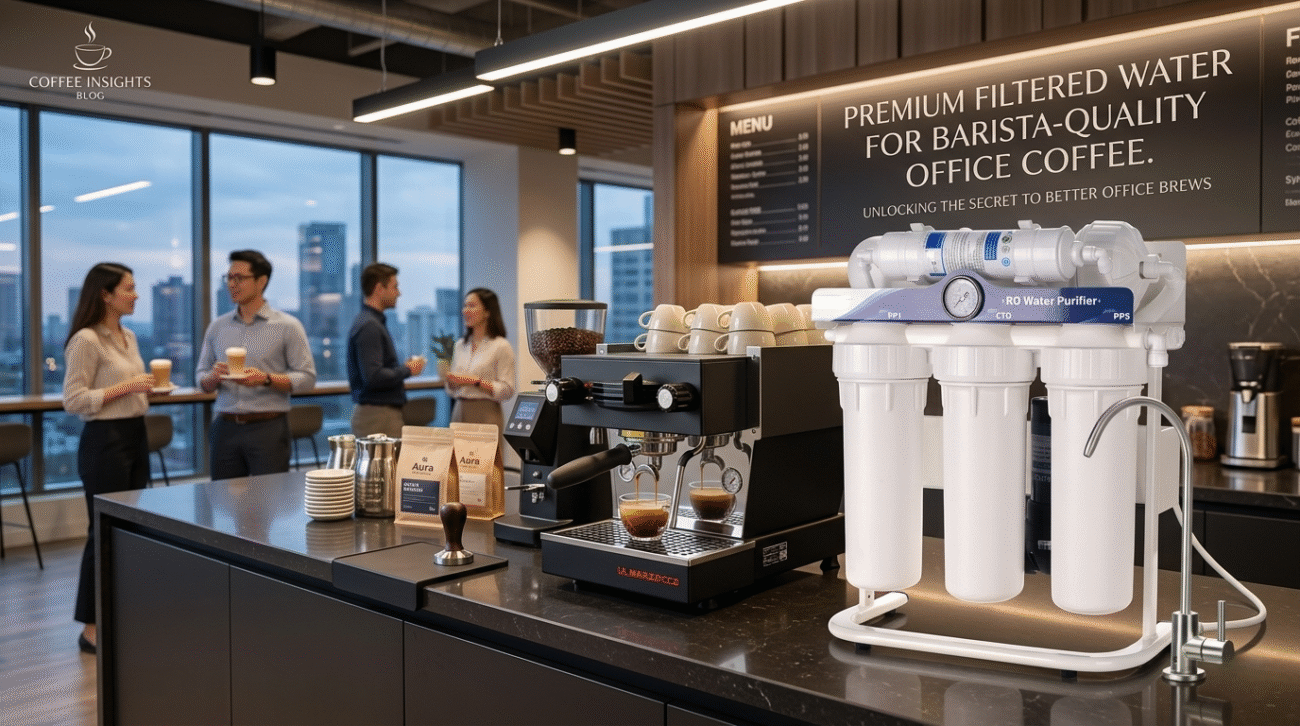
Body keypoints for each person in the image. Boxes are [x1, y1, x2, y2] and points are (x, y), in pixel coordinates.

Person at [62, 262, 159, 654]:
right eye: (129, 288)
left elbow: (128, 389)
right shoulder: (86, 340)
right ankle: (90, 628)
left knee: (130, 531)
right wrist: (126, 387)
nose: (136, 295)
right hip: (104, 441)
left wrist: (143, 391)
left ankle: (122, 615)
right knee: (101, 531)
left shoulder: (129, 337)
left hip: (135, 435)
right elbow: (73, 400)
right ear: (106, 293)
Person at [196, 249, 316, 479]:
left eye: (239, 278)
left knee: (268, 503)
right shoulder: (218, 327)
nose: (232, 284)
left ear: (261, 281)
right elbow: (201, 375)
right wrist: (211, 378)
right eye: (229, 277)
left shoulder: (287, 326)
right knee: (224, 502)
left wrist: (266, 379)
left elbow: (307, 378)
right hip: (225, 426)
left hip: (268, 427)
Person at [347, 263, 426, 437]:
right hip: (377, 417)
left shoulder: (370, 322)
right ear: (379, 289)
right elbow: (373, 377)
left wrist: (402, 369)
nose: (399, 293)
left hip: (378, 415)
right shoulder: (370, 325)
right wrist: (408, 370)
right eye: (395, 287)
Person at [444, 287, 516, 435]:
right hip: (459, 410)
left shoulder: (501, 345)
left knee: (486, 458)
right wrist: (451, 382)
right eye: (465, 306)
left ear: (487, 312)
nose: (465, 311)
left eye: (471, 306)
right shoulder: (460, 345)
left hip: (485, 412)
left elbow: (507, 390)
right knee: (456, 458)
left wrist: (475, 381)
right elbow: (451, 389)